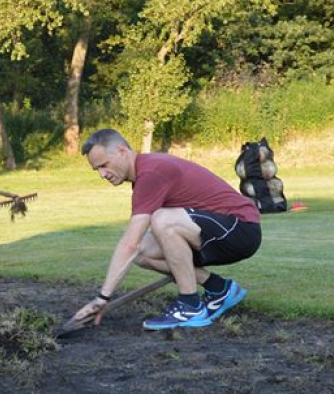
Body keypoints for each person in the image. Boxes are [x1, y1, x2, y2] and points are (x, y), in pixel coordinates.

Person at [68, 129, 262, 331]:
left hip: (240, 229)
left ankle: (189, 305)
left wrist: (102, 297)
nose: (102, 174)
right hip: (214, 233)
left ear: (122, 150)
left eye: (104, 165)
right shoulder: (144, 174)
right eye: (96, 170)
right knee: (143, 251)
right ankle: (219, 288)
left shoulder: (152, 172)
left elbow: (129, 243)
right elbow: (135, 247)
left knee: (162, 220)